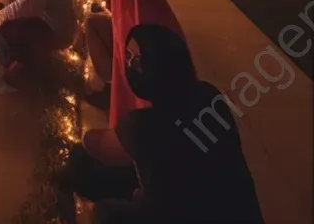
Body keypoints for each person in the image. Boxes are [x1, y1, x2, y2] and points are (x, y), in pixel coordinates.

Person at [93, 24, 264, 224]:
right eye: (128, 57)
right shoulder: (209, 94)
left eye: (137, 60)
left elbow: (97, 145)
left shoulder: (143, 127)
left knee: (102, 208)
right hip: (240, 215)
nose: (130, 66)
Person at [68, 0, 186, 201]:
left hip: (155, 186)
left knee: (80, 163)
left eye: (132, 59)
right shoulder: (206, 94)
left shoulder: (147, 122)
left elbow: (101, 144)